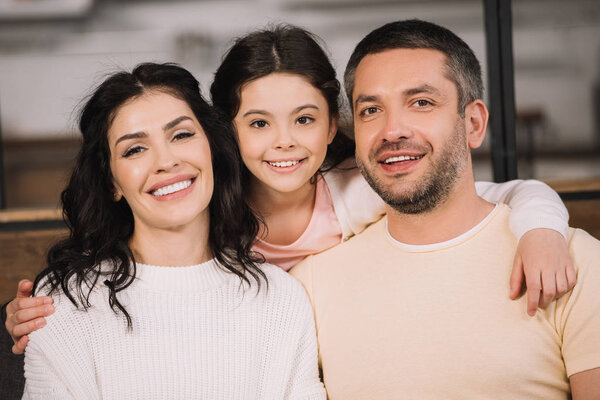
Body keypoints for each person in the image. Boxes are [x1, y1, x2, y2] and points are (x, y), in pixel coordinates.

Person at [4, 25, 575, 356]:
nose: (284, 143)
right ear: (225, 130)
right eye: (258, 124)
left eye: (304, 120)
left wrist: (544, 230)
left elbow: (510, 190)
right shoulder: (206, 206)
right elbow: (141, 267)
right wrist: (37, 310)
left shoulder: (358, 191)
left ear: (332, 128)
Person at [290, 19, 600, 399]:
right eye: (371, 110)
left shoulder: (573, 260)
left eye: (421, 103)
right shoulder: (310, 286)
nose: (392, 131)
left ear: (473, 123)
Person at [19, 63, 325, 399]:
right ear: (111, 182)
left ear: (212, 148)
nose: (166, 161)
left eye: (181, 135)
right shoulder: (65, 300)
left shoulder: (280, 298)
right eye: (134, 149)